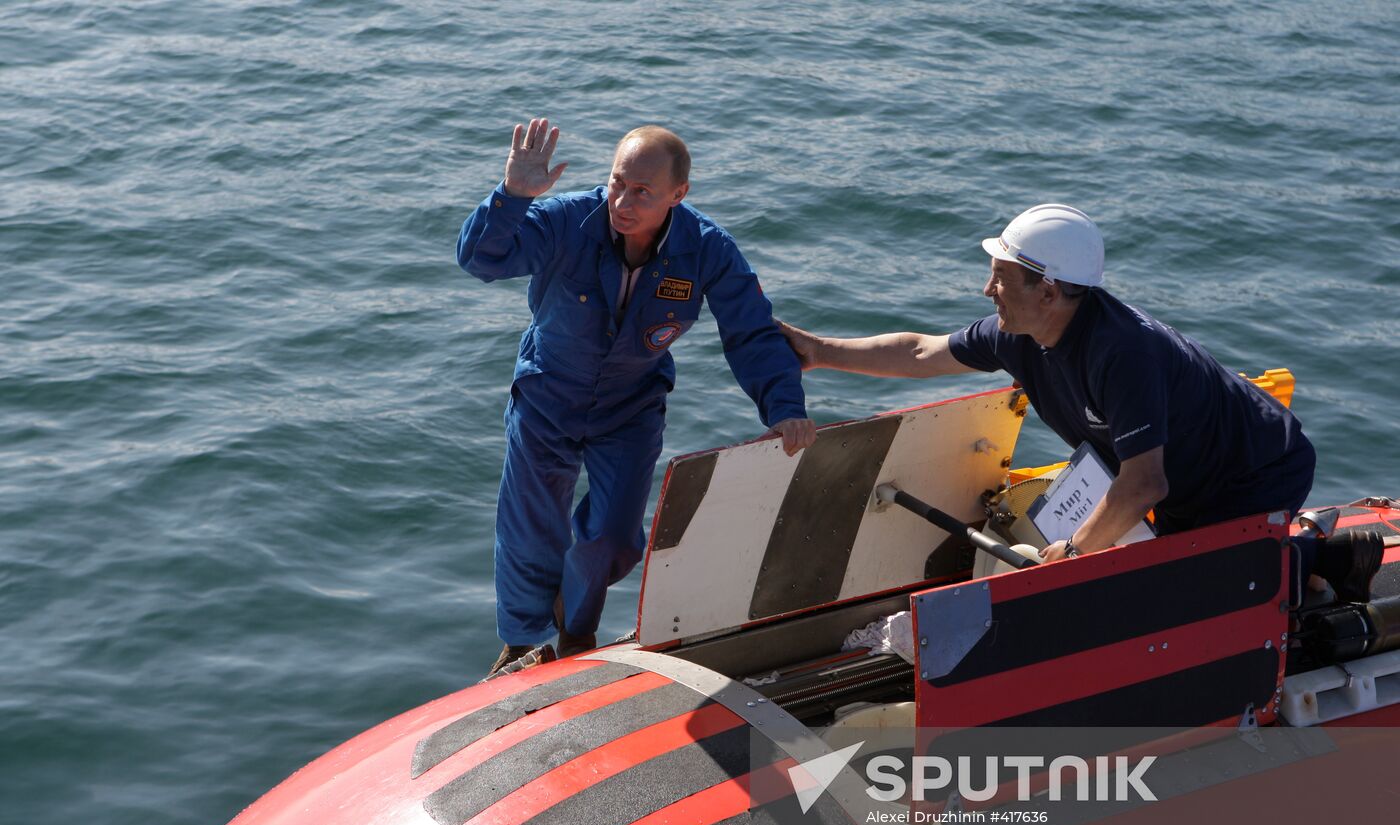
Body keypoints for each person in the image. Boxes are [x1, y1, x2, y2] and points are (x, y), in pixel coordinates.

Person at [459, 118, 816, 673]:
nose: (622, 201)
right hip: (548, 393)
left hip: (631, 406)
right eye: (617, 182)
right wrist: (512, 197)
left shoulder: (708, 250)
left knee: (613, 536)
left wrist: (785, 409)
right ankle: (525, 643)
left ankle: (576, 629)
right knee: (529, 529)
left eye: (643, 191)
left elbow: (750, 332)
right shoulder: (564, 220)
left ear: (679, 195)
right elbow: (482, 260)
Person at [780, 203, 1320, 564]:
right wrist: (819, 351)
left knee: (1198, 591)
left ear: (1050, 291)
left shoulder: (1123, 353)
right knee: (1168, 564)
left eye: (1001, 277)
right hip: (1185, 474)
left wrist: (1074, 554)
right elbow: (921, 352)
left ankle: (1324, 559)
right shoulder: (1017, 333)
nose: (986, 288)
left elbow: (1143, 485)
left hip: (1254, 471)